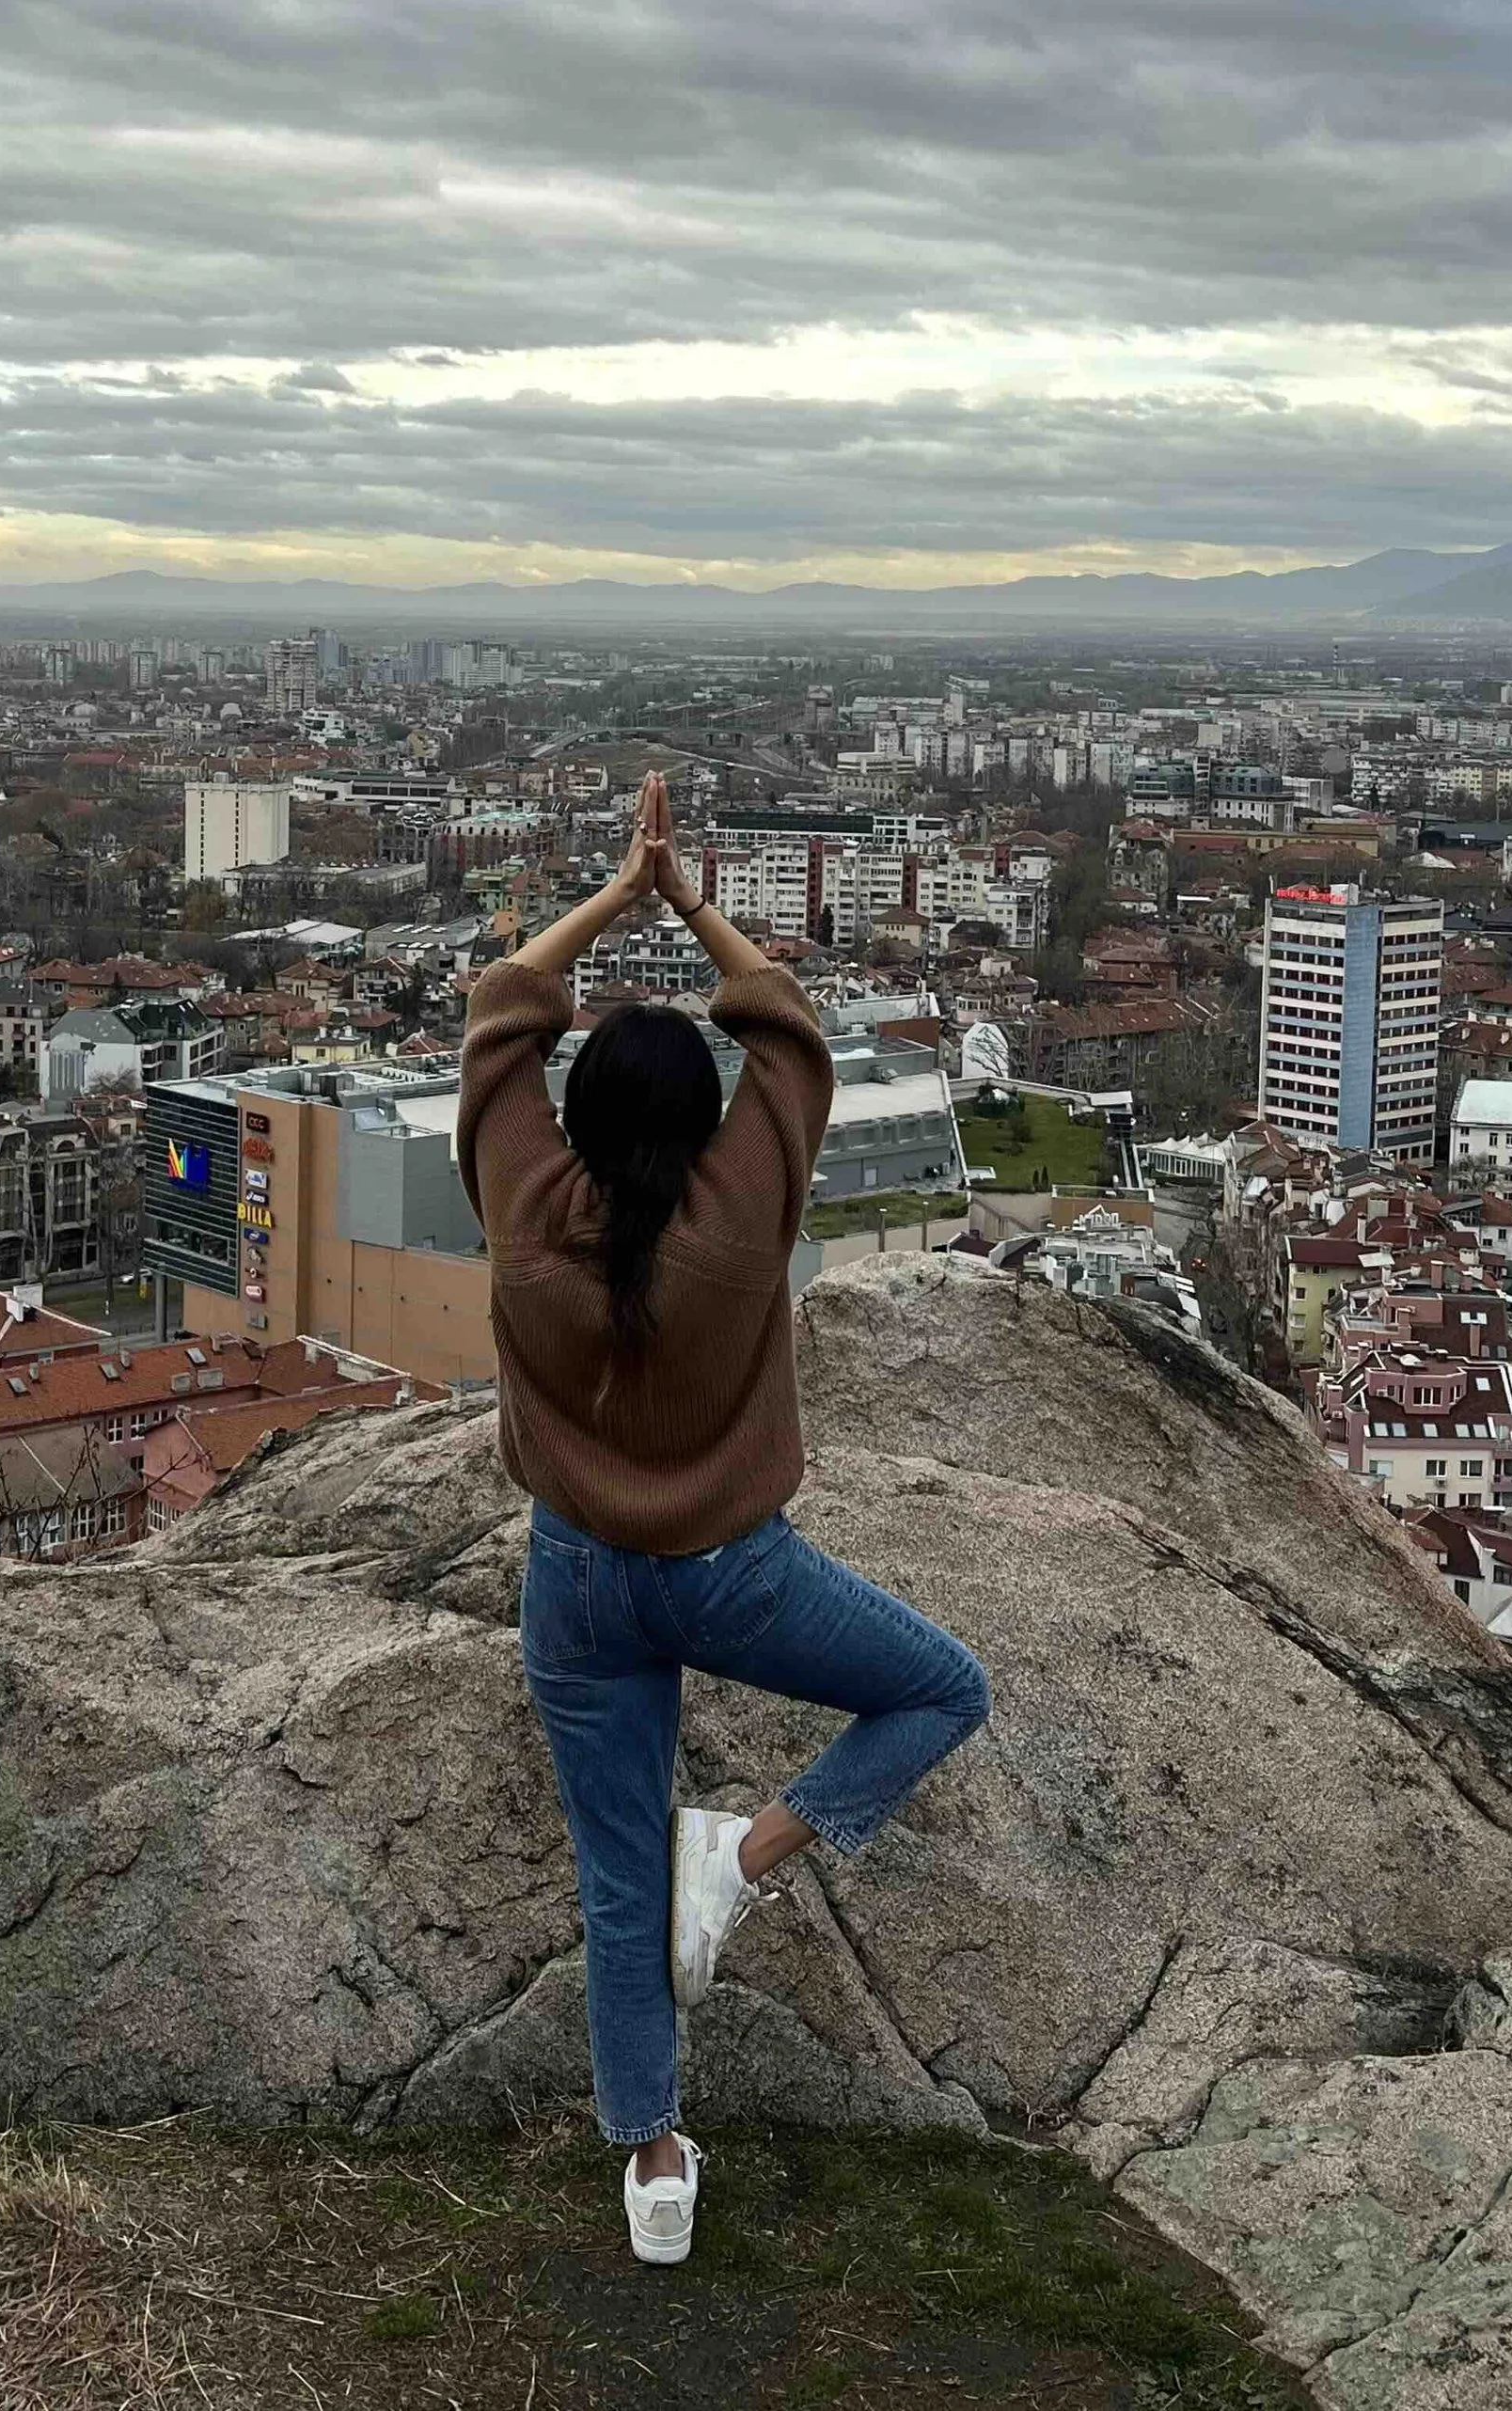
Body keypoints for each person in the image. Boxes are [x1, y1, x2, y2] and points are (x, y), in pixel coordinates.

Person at [458, 772, 991, 2268]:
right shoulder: (743, 1215)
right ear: (703, 1127)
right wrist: (688, 898)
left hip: (575, 1587)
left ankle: (655, 2165)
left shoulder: (521, 1216)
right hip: (730, 1576)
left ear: (571, 1115)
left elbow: (505, 1004)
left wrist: (615, 897)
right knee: (944, 1688)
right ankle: (747, 1861)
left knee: (617, 1883)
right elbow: (787, 1022)